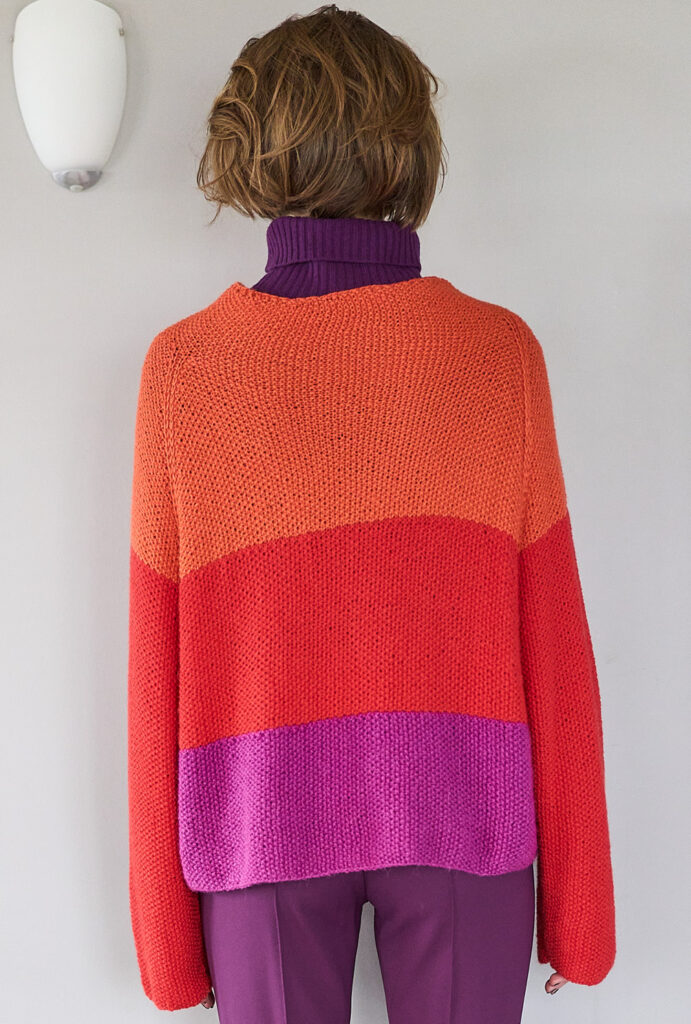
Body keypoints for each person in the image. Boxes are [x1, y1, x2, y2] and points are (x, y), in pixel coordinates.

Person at [127, 5, 616, 1022]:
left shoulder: (186, 368)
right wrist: (581, 915)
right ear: (411, 150)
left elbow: (153, 667)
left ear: (246, 150)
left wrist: (169, 949)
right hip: (459, 817)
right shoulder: (496, 352)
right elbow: (557, 647)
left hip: (261, 825)